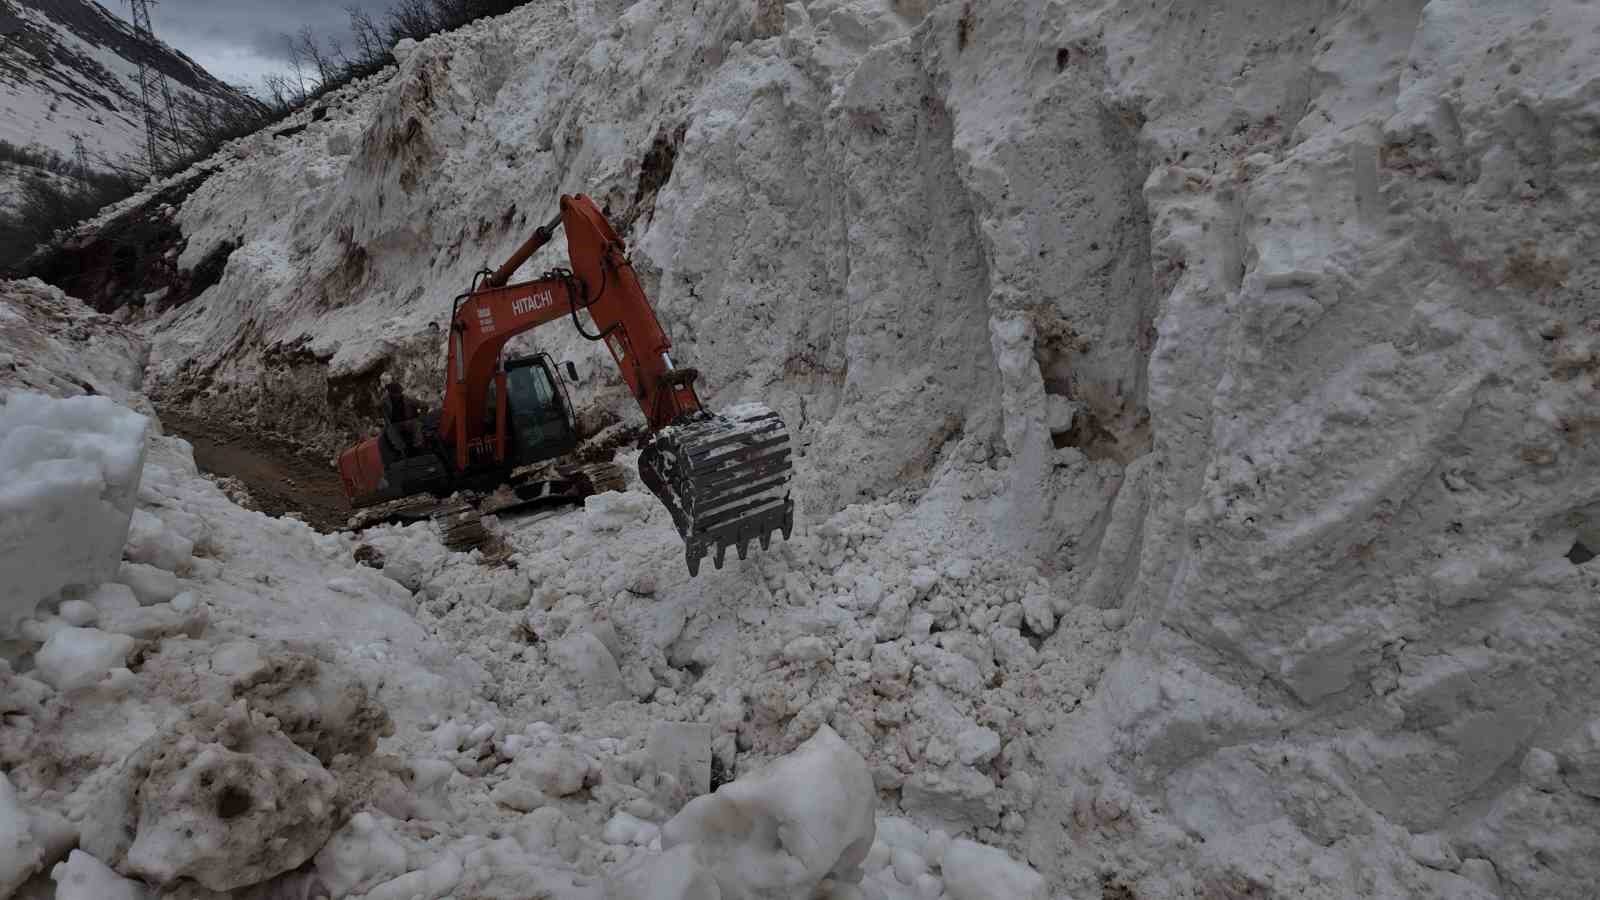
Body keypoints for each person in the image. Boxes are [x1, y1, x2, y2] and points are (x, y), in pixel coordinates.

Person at [383, 382, 422, 454]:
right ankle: (402, 450)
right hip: (396, 424)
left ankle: (418, 447)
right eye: (396, 393)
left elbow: (422, 405)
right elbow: (386, 417)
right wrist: (388, 425)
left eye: (399, 392)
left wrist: (421, 416)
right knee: (390, 430)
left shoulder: (407, 398)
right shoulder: (385, 402)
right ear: (391, 393)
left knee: (416, 425)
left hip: (410, 421)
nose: (399, 394)